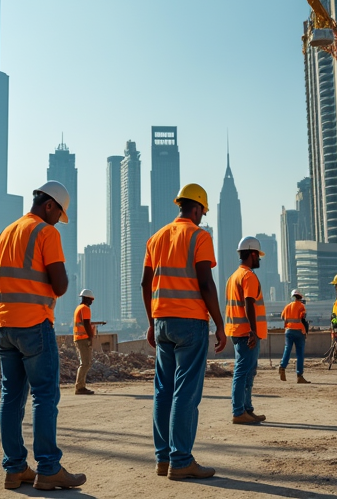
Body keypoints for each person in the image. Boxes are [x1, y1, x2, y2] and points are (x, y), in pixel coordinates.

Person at [0, 181, 86, 491]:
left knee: (11, 397)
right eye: (59, 214)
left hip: (4, 325)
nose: (59, 220)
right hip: (34, 324)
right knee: (44, 395)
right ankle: (48, 468)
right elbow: (60, 285)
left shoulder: (6, 232)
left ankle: (15, 469)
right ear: (49, 206)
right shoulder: (46, 232)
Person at [141, 182, 226, 481]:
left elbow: (145, 283)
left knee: (163, 391)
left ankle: (163, 459)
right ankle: (181, 460)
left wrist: (152, 322)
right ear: (197, 208)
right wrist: (219, 323)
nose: (203, 215)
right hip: (190, 322)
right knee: (185, 393)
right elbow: (206, 283)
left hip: (162, 321)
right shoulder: (200, 236)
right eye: (203, 210)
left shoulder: (156, 237)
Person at [225, 236, 268, 424]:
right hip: (246, 333)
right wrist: (252, 331)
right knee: (243, 373)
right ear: (252, 254)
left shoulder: (233, 277)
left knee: (248, 372)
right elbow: (249, 303)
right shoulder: (248, 276)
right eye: (257, 255)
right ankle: (238, 411)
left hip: (237, 331)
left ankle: (247, 409)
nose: (259, 259)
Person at [279, 288, 310, 384]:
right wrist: (306, 332)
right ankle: (299, 376)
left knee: (287, 349)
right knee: (299, 354)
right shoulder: (301, 306)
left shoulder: (287, 306)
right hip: (299, 331)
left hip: (288, 331)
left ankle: (282, 367)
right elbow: (303, 319)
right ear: (300, 297)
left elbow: (282, 317)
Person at [73, 289, 96, 395]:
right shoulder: (85, 308)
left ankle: (80, 386)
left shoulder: (79, 308)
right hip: (83, 339)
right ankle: (80, 387)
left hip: (79, 338)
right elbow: (86, 324)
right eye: (91, 300)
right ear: (87, 299)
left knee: (85, 363)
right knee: (85, 363)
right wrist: (91, 337)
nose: (92, 302)